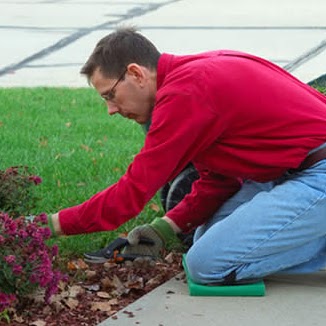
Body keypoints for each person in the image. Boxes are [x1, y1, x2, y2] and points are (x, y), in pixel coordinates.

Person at [48, 26, 326, 285]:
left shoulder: (187, 91)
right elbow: (220, 181)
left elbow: (130, 194)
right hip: (290, 172)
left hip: (316, 173)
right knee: (204, 240)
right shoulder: (192, 78)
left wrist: (47, 226)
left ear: (136, 74)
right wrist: (163, 229)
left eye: (110, 95)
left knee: (206, 265)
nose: (110, 109)